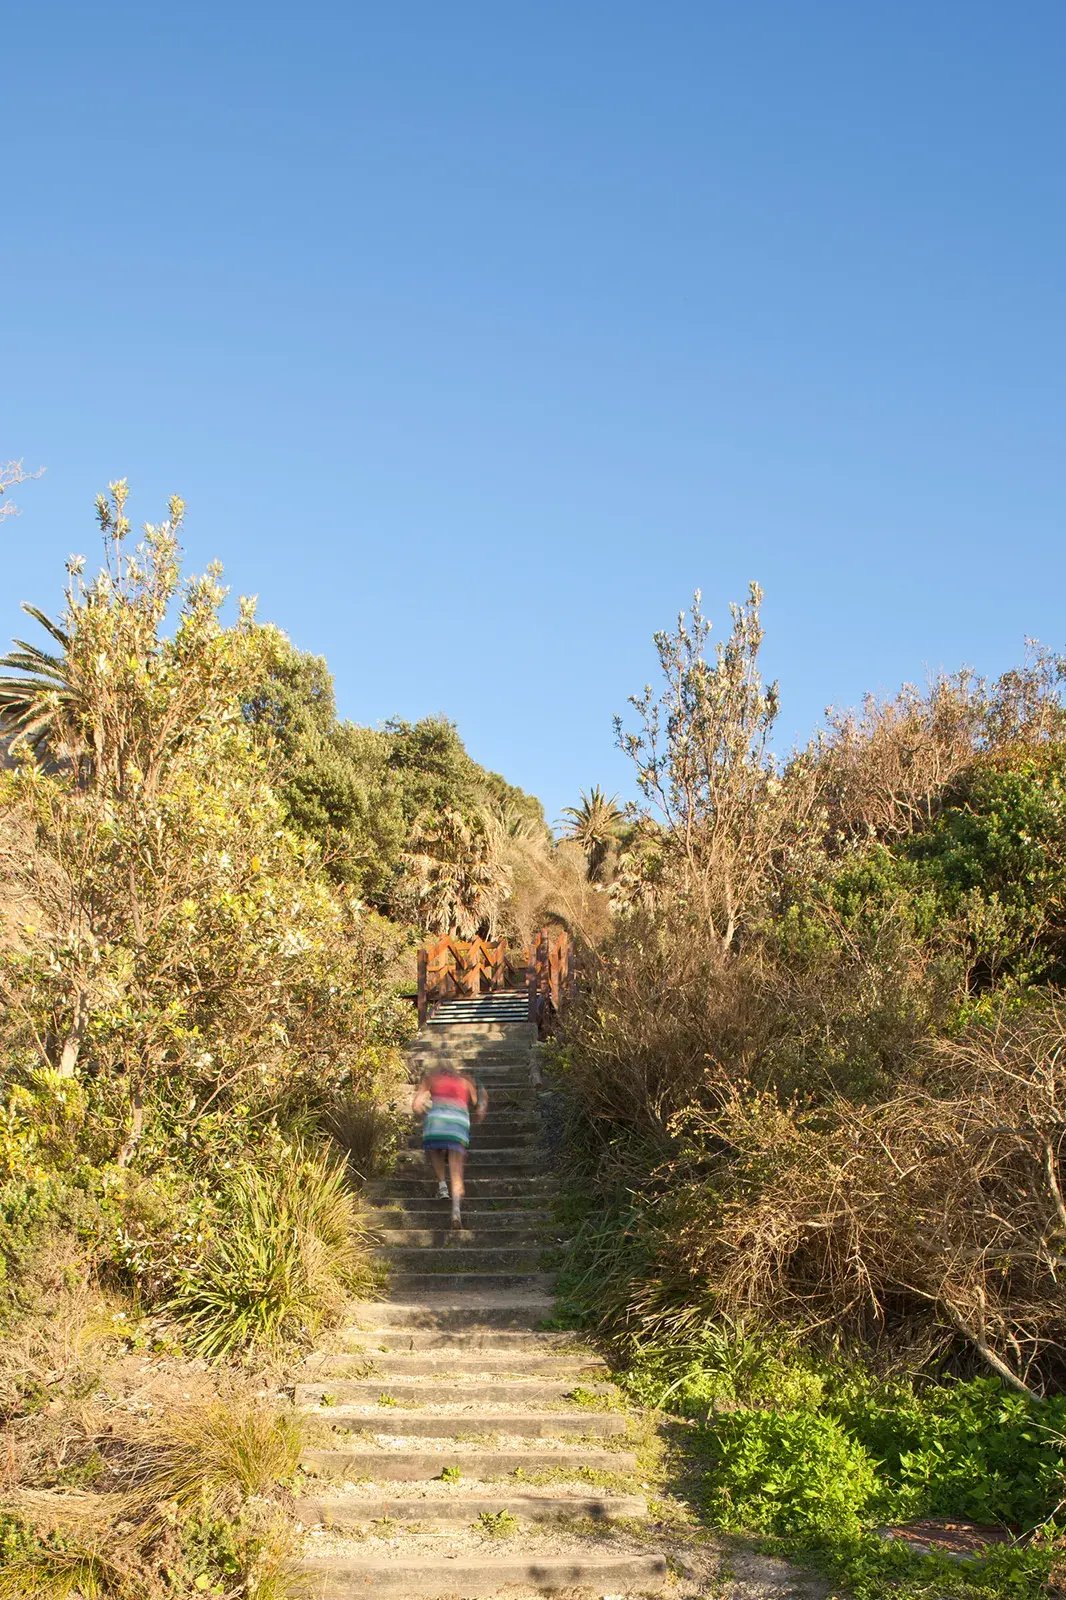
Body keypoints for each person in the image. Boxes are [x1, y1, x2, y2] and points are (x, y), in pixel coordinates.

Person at [413, 1063, 487, 1229]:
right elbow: (476, 1103)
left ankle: (442, 1186)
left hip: (436, 1122)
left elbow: (416, 1105)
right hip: (458, 1124)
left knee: (434, 1150)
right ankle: (455, 1210)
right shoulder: (465, 1082)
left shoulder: (430, 1079)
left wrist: (427, 1116)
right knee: (456, 1166)